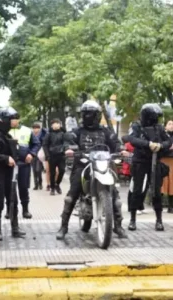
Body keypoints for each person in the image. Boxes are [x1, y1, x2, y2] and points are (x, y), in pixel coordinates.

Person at [56, 100, 127, 240]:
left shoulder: (105, 131)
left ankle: (118, 226)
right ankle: (63, 226)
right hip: (83, 165)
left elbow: (115, 143)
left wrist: (121, 150)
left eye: (93, 114)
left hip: (103, 165)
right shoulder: (77, 131)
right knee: (72, 196)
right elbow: (68, 141)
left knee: (115, 197)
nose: (91, 116)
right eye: (88, 114)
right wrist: (69, 148)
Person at [127, 103, 172, 231]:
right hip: (140, 162)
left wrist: (161, 146)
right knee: (137, 191)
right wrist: (148, 144)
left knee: (157, 192)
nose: (157, 119)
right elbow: (131, 139)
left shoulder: (159, 128)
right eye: (155, 117)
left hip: (154, 162)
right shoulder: (137, 126)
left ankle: (159, 220)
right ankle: (132, 219)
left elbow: (169, 141)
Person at [0, 107, 26, 241]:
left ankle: (15, 228)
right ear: (1, 121)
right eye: (10, 120)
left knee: (13, 200)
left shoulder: (7, 136)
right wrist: (5, 158)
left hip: (10, 174)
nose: (12, 122)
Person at [7, 116, 40, 219]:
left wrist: (32, 154)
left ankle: (25, 210)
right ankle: (10, 210)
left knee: (23, 187)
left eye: (14, 119)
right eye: (10, 119)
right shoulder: (4, 130)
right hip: (9, 164)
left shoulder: (26, 130)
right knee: (9, 188)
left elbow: (36, 144)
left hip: (24, 163)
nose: (12, 121)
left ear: (19, 119)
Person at [43, 119, 66, 195]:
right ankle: (52, 188)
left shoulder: (63, 133)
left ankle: (57, 184)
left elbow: (66, 143)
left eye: (57, 123)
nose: (56, 125)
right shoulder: (48, 134)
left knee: (62, 170)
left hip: (61, 155)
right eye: (54, 123)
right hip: (52, 155)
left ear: (60, 124)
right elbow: (45, 145)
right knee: (52, 173)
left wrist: (65, 150)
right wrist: (47, 155)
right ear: (51, 125)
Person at [31, 122, 46, 190]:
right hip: (33, 154)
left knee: (38, 170)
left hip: (40, 154)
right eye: (34, 128)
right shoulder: (31, 135)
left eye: (37, 128)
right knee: (34, 170)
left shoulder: (41, 135)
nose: (35, 130)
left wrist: (41, 127)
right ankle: (36, 184)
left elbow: (45, 132)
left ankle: (40, 183)